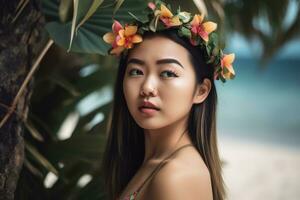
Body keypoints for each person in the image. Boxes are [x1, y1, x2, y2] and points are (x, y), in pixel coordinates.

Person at [100, 1, 235, 200]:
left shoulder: (176, 176)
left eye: (167, 73)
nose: (147, 87)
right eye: (136, 71)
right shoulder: (152, 162)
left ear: (201, 90)